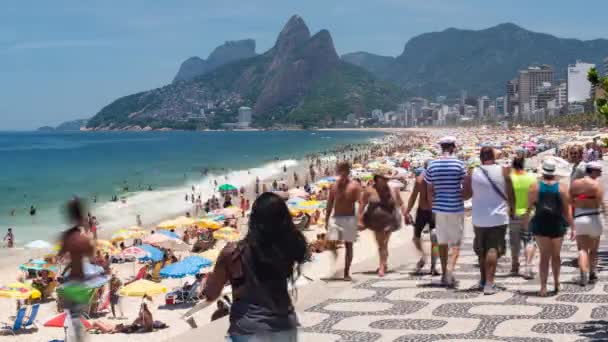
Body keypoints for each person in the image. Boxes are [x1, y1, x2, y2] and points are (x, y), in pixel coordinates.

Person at [203, 192, 307, 341]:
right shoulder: (286, 247)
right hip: (286, 327)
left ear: (253, 220)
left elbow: (211, 294)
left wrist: (206, 285)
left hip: (248, 330)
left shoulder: (233, 253)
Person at [465, 146, 513, 295]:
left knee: (481, 250)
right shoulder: (504, 170)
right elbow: (511, 193)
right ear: (494, 156)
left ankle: (483, 280)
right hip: (498, 216)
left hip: (479, 216)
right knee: (493, 249)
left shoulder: (473, 172)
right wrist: (514, 209)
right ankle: (489, 285)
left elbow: (466, 194)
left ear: (480, 158)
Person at [524, 159, 573, 296]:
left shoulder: (534, 187)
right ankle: (557, 283)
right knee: (556, 255)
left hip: (540, 223)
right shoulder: (562, 188)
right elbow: (567, 210)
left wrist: (525, 222)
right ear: (554, 172)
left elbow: (528, 208)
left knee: (544, 256)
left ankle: (543, 288)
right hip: (557, 224)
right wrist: (573, 227)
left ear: (543, 172)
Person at [425, 136, 466, 287]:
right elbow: (464, 186)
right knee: (455, 242)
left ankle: (444, 274)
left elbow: (429, 191)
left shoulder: (432, 165)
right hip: (456, 208)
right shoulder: (459, 164)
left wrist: (432, 208)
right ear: (453, 147)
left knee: (442, 242)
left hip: (439, 209)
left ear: (441, 147)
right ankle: (450, 271)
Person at [58, 198, 95, 341]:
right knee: (77, 325)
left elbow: (60, 256)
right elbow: (91, 255)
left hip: (69, 284)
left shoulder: (66, 236)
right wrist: (87, 230)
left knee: (74, 323)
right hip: (80, 284)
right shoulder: (83, 238)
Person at [360, 170, 406, 277]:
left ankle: (382, 266)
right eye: (384, 178)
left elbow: (401, 202)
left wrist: (406, 214)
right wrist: (359, 219)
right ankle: (383, 264)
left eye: (387, 178)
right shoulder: (369, 190)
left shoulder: (392, 189)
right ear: (377, 178)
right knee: (382, 244)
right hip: (375, 222)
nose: (386, 180)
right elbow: (362, 204)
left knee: (383, 243)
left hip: (390, 220)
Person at [570, 161, 605, 285]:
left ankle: (583, 273)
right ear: (593, 171)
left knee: (582, 249)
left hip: (579, 218)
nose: (600, 174)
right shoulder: (597, 185)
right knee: (594, 250)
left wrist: (571, 224)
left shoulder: (575, 184)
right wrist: (606, 218)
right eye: (599, 171)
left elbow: (570, 203)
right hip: (594, 218)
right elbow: (602, 204)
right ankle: (592, 273)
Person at [325, 162, 362, 281]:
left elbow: (361, 203)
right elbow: (330, 203)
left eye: (342, 170)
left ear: (347, 171)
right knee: (330, 244)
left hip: (349, 219)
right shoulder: (334, 186)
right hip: (336, 219)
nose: (340, 173)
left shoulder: (354, 186)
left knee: (348, 246)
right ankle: (336, 266)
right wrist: (326, 219)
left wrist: (360, 219)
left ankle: (346, 272)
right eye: (339, 170)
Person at [509, 153, 538, 279]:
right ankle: (528, 266)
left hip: (513, 213)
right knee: (529, 240)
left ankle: (515, 265)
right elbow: (536, 196)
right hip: (529, 212)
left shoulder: (510, 178)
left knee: (514, 241)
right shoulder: (531, 177)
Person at [405, 165, 437, 275]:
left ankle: (425, 257)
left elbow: (413, 197)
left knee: (416, 238)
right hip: (434, 211)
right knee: (435, 240)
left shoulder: (419, 180)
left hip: (423, 211)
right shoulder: (436, 179)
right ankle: (433, 264)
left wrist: (407, 211)